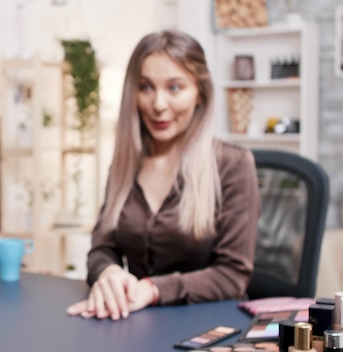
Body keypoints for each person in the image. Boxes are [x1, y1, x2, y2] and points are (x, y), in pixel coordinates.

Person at [66, 30, 261, 321]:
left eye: (174, 88)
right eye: (146, 87)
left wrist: (153, 289)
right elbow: (101, 249)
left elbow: (232, 277)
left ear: (200, 93)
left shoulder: (233, 165)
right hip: (136, 324)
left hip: (211, 328)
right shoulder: (124, 165)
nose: (158, 104)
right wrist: (108, 273)